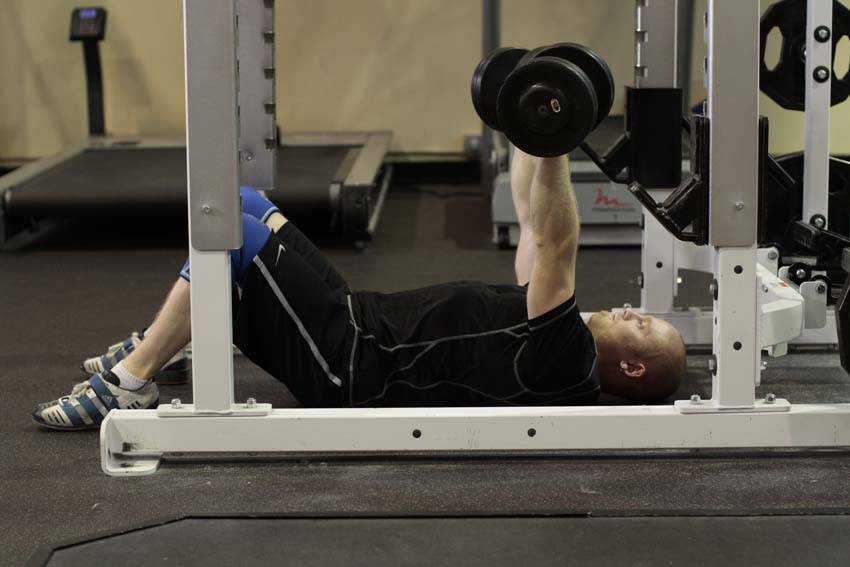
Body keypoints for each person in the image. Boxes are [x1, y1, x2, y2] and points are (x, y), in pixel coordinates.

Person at [32, 150, 686, 430]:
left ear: (630, 366)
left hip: (347, 363)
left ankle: (132, 380)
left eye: (642, 325)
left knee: (230, 225)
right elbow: (536, 228)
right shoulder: (545, 337)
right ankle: (171, 338)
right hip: (350, 320)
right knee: (249, 202)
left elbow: (558, 243)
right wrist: (534, 137)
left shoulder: (567, 362)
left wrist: (555, 146)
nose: (631, 310)